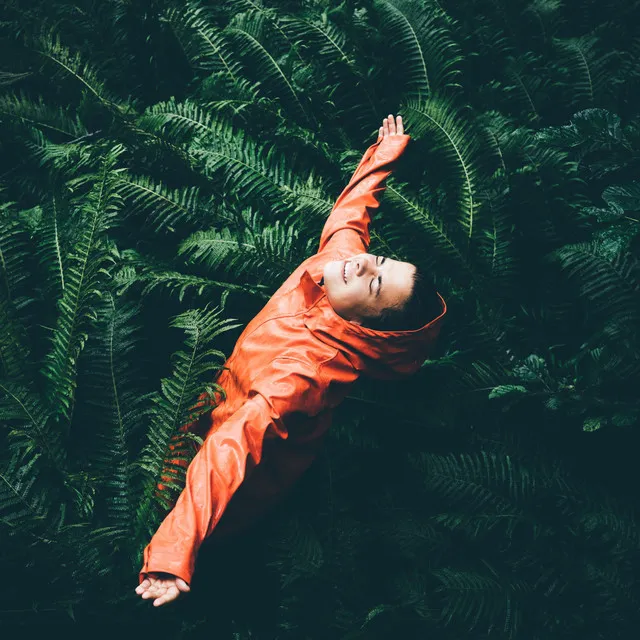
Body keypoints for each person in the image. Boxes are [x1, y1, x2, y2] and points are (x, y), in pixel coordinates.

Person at [135, 114, 447, 607]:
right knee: (161, 472)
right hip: (214, 399)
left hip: (247, 463)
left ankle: (183, 563)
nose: (364, 263)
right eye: (382, 263)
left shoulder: (307, 373)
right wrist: (383, 156)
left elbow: (230, 450)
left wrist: (174, 552)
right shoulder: (337, 268)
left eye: (373, 283)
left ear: (368, 322)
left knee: (196, 511)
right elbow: (350, 218)